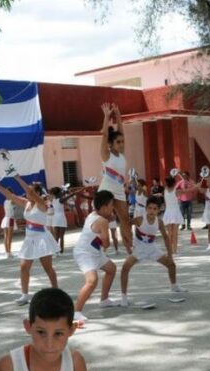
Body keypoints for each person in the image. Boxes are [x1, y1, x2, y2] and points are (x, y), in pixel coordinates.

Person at [0, 176, 59, 306]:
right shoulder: (26, 203)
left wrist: (17, 177)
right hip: (29, 239)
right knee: (23, 267)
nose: (27, 194)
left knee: (47, 267)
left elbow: (31, 192)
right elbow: (9, 195)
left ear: (38, 193)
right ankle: (25, 295)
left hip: (42, 239)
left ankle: (56, 291)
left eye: (31, 192)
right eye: (27, 193)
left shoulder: (41, 204)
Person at [120, 196, 185, 307]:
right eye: (150, 208)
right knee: (125, 268)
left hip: (152, 248)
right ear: (146, 209)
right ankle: (124, 297)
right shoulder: (140, 219)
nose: (152, 211)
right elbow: (124, 226)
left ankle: (174, 286)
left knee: (172, 264)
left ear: (159, 210)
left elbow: (166, 238)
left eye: (155, 209)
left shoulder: (159, 222)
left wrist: (170, 255)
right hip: (139, 248)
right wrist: (127, 243)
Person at [72, 190, 118, 326]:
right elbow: (106, 244)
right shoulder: (102, 220)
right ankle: (76, 311)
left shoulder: (94, 214)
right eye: (111, 205)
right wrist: (108, 225)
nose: (113, 208)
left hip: (94, 251)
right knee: (92, 281)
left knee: (111, 269)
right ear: (103, 208)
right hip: (84, 252)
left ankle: (104, 300)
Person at [97, 103, 133, 252]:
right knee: (102, 220)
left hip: (119, 191)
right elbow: (105, 135)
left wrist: (118, 115)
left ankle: (129, 247)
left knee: (125, 220)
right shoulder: (106, 155)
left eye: (122, 142)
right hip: (106, 191)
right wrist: (106, 116)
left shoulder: (122, 155)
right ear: (110, 144)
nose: (121, 144)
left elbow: (122, 131)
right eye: (118, 142)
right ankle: (99, 247)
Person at [162, 176, 188, 254]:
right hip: (175, 212)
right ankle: (174, 250)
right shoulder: (177, 191)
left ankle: (169, 250)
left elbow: (165, 203)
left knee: (169, 233)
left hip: (168, 212)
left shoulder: (165, 190)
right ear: (174, 183)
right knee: (175, 233)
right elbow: (187, 189)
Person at [1, 188, 19, 258]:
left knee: (6, 237)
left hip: (5, 219)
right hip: (10, 219)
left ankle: (7, 252)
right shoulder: (12, 201)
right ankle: (9, 252)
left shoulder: (5, 201)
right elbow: (16, 199)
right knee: (9, 237)